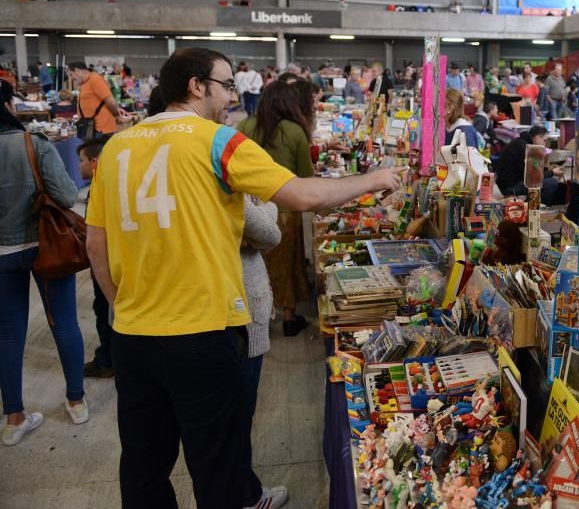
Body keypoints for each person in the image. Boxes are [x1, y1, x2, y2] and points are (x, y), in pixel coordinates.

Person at [85, 48, 402, 508]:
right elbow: (301, 194)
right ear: (197, 86)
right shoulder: (216, 141)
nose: (233, 94)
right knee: (218, 464)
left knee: (143, 465)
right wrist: (373, 179)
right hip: (203, 330)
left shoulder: (116, 147)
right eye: (227, 84)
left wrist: (124, 307)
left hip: (134, 336)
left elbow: (97, 245)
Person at [0, 79, 87, 446]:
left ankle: (14, 416)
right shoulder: (33, 144)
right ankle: (76, 400)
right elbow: (68, 194)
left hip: (2, 254)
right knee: (64, 322)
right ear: (8, 106)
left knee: (7, 333)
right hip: (46, 247)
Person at [238, 81, 315, 337]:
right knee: (288, 267)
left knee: (255, 264)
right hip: (286, 211)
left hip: (249, 209)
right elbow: (306, 176)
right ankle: (290, 318)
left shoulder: (245, 127)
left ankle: (257, 319)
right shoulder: (294, 131)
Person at [238, 195, 282, 509]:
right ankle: (245, 496)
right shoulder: (217, 163)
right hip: (236, 313)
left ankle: (242, 490)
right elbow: (268, 233)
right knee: (236, 416)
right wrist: (266, 206)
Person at [77, 137, 115, 379]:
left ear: (93, 162)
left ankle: (107, 362)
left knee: (105, 311)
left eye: (80, 160)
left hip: (107, 266)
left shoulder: (100, 189)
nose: (78, 165)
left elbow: (95, 241)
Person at [493, 125, 565, 205]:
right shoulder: (525, 148)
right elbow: (534, 177)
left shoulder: (520, 142)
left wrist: (547, 170)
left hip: (508, 183)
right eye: (544, 140)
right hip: (510, 188)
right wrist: (552, 172)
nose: (544, 144)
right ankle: (540, 207)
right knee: (552, 183)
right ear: (537, 137)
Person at [69, 61, 125, 136]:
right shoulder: (85, 83)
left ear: (77, 71)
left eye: (71, 74)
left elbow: (111, 102)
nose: (71, 78)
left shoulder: (95, 79)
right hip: (92, 128)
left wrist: (117, 116)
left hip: (101, 130)